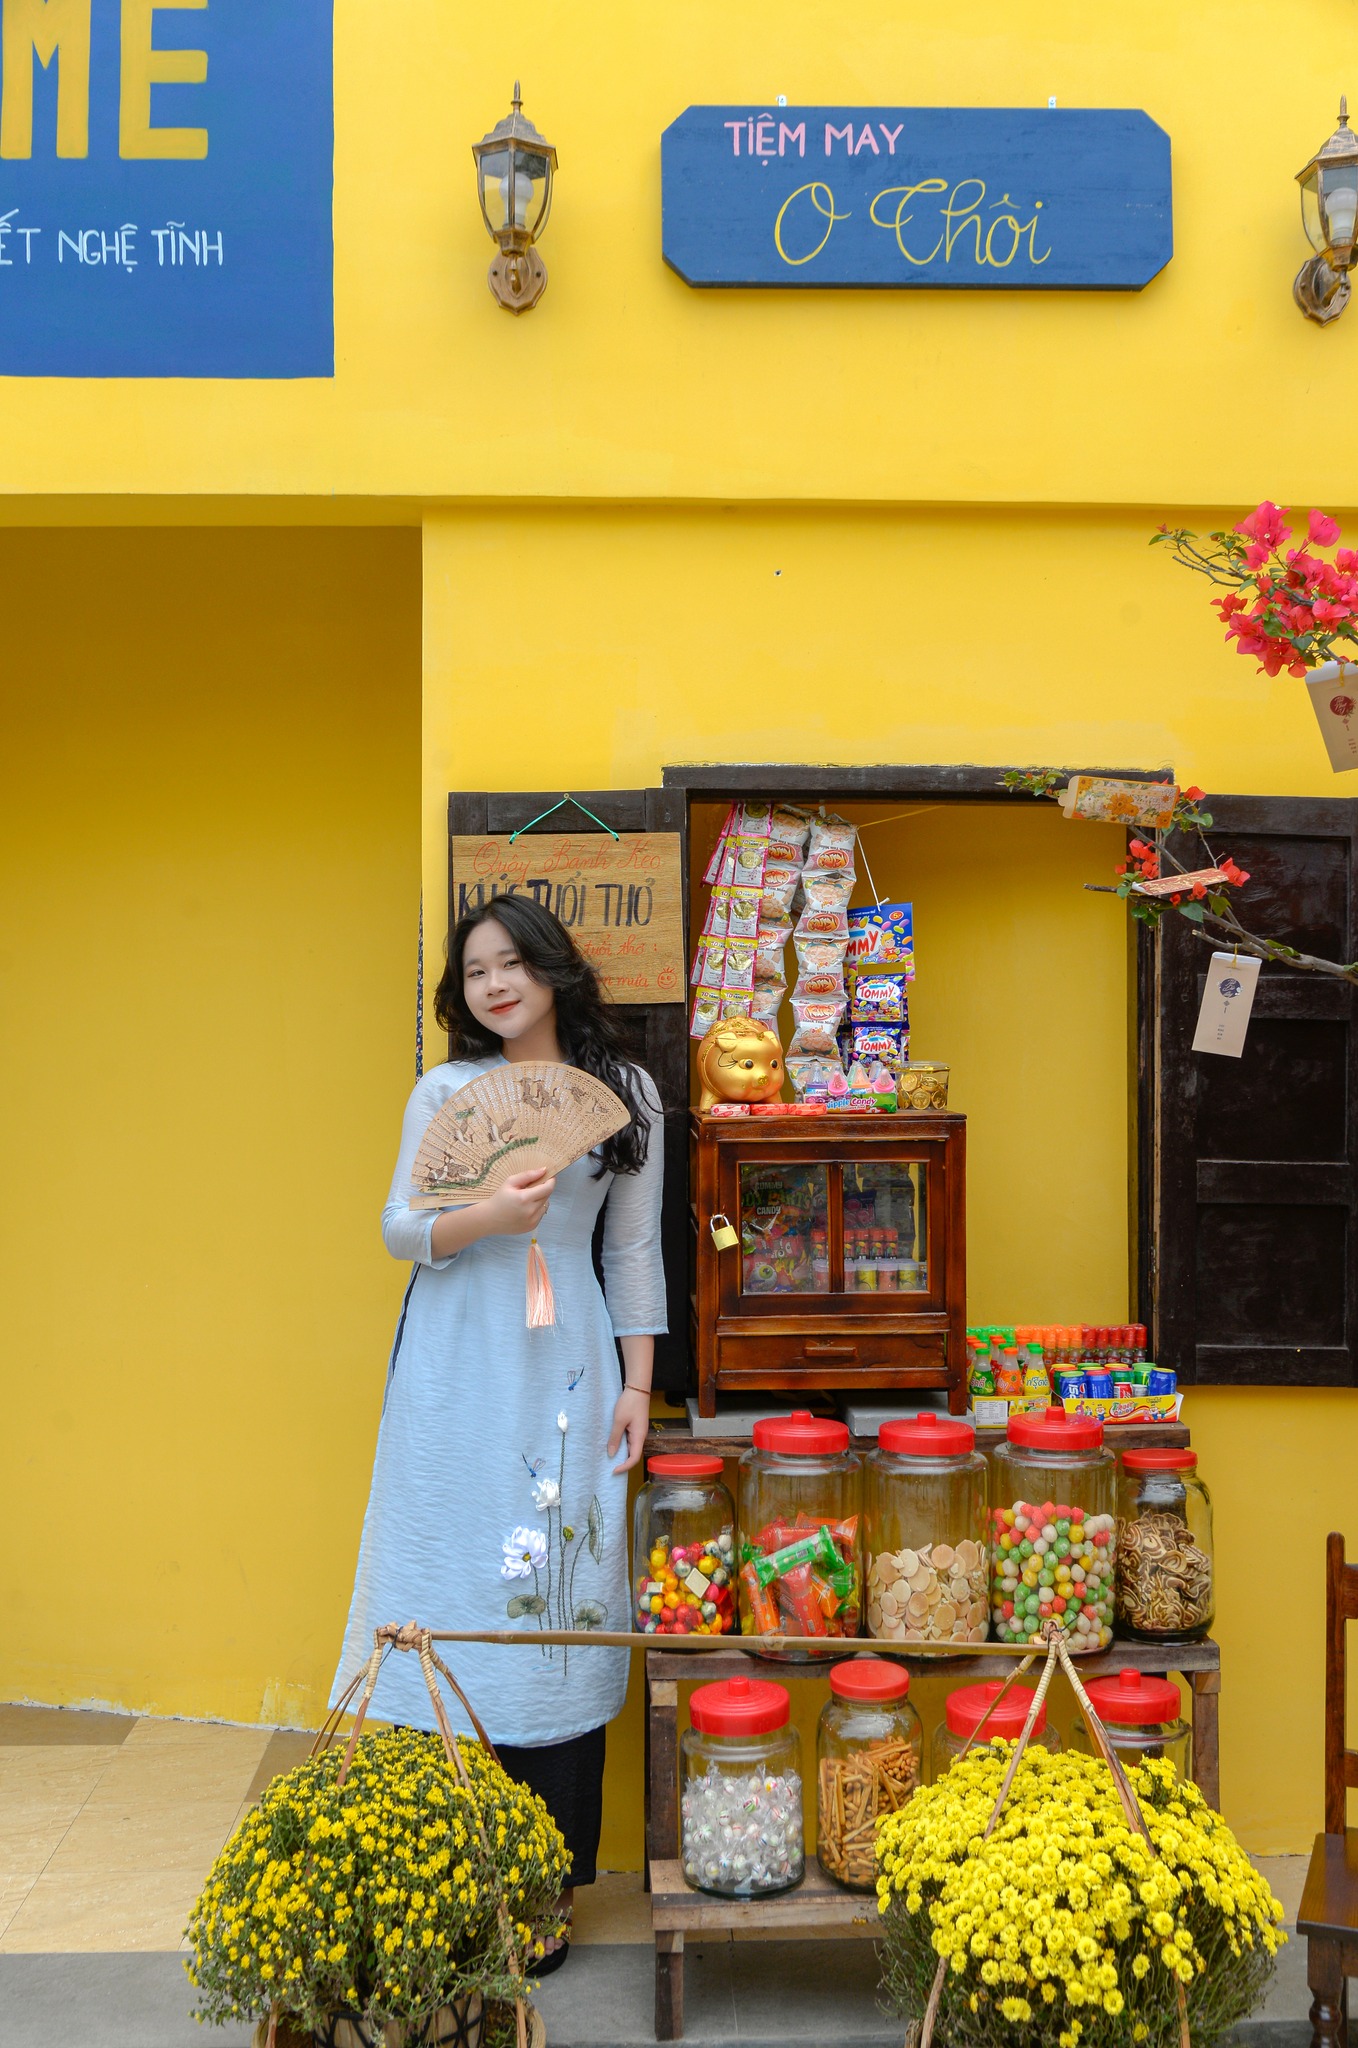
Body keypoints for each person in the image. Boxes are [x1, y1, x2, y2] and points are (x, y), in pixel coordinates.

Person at [331, 894, 666, 1970]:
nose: (494, 983)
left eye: (513, 962)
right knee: (451, 1585)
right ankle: (456, 1874)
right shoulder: (445, 1090)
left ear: (555, 969)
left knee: (559, 1598)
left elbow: (631, 1255)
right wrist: (488, 1213)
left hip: (568, 1359)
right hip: (454, 1359)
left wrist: (640, 1386)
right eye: (475, 970)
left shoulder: (626, 1096)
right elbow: (400, 1227)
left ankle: (548, 1887)